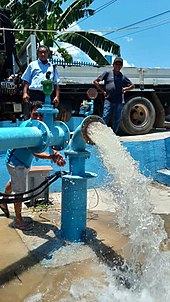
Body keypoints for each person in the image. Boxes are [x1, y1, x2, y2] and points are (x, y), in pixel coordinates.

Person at [0, 102, 66, 230]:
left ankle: (3, 201)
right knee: (19, 192)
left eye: (40, 115)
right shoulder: (27, 127)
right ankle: (18, 221)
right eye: (35, 114)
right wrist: (51, 157)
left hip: (22, 163)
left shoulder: (40, 127)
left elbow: (48, 140)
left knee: (13, 182)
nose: (38, 118)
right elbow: (34, 151)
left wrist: (56, 152)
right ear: (30, 114)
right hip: (16, 163)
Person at [93, 57, 135, 133]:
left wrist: (125, 89)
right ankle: (101, 133)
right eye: (116, 64)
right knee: (105, 116)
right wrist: (103, 91)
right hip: (109, 100)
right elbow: (96, 82)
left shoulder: (122, 77)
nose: (118, 66)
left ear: (121, 66)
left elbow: (133, 86)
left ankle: (113, 134)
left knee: (117, 118)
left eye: (120, 64)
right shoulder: (107, 73)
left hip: (119, 101)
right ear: (113, 65)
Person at [21, 45, 60, 119]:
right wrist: (25, 93)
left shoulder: (52, 67)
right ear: (37, 54)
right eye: (41, 52)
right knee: (33, 115)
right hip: (34, 94)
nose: (43, 54)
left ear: (47, 53)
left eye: (44, 52)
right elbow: (26, 80)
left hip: (47, 96)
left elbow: (56, 83)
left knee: (46, 116)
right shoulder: (32, 65)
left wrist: (57, 96)